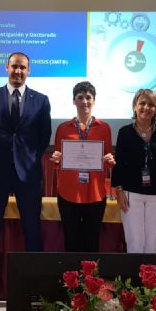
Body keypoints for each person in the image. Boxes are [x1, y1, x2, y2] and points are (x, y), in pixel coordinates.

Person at [0, 51, 51, 311]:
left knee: (32, 231)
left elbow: (43, 137)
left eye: (23, 67)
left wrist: (26, 158)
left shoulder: (41, 100)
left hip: (28, 174)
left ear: (29, 71)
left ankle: (34, 290)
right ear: (6, 68)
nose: (18, 71)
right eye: (14, 67)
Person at [50, 81, 115, 252]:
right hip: (68, 192)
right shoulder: (63, 128)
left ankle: (91, 271)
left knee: (92, 242)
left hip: (95, 193)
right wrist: (56, 159)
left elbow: (107, 160)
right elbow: (58, 161)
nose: (84, 101)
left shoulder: (104, 128)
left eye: (88, 97)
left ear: (94, 100)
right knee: (71, 241)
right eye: (80, 97)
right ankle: (72, 271)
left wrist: (110, 160)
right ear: (74, 101)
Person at [111, 89, 156, 253]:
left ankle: (150, 271)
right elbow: (119, 164)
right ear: (135, 106)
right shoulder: (124, 132)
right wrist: (119, 191)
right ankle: (135, 272)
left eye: (151, 105)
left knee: (152, 244)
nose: (146, 107)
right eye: (142, 103)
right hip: (131, 193)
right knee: (135, 243)